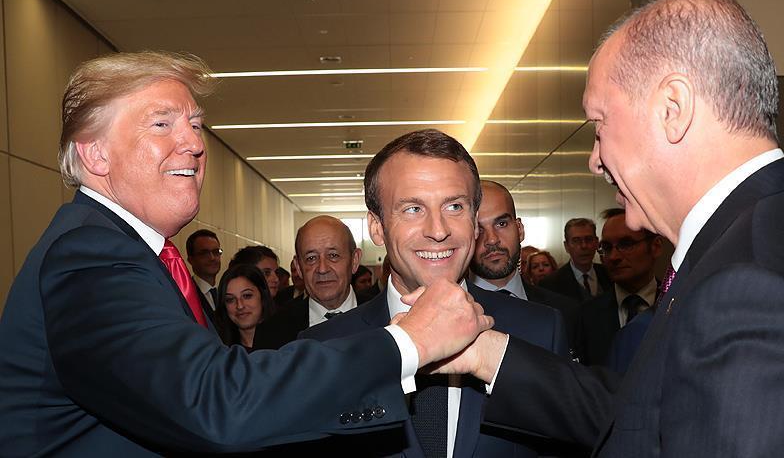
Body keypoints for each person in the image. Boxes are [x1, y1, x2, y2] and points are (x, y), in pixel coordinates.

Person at [438, 0, 784, 456]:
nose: (595, 160)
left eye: (599, 124)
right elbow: (651, 413)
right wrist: (487, 354)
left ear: (672, 109)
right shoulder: (777, 238)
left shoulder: (752, 291)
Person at [0, 51, 493, 455]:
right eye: (162, 124)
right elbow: (216, 403)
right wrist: (409, 341)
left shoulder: (134, 254)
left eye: (195, 124)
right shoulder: (91, 254)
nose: (193, 143)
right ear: (96, 153)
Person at [302, 130, 569, 458]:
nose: (439, 230)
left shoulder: (539, 331)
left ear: (474, 221)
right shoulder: (325, 347)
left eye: (454, 206)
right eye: (413, 209)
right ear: (377, 227)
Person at [469, 180, 578, 353]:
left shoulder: (565, 312)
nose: (492, 240)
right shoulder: (445, 317)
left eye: (501, 224)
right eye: (478, 229)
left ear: (519, 230)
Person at [253, 216, 375, 349]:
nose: (322, 269)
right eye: (311, 258)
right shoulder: (271, 332)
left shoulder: (385, 318)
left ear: (354, 260)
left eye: (333, 255)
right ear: (298, 267)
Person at [573, 208, 661, 366]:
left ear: (655, 247)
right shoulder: (587, 316)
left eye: (626, 245)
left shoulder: (678, 306)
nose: (613, 257)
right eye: (607, 248)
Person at [540, 218, 613, 302]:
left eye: (588, 239)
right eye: (576, 241)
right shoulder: (550, 284)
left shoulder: (610, 274)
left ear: (596, 243)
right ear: (566, 246)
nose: (584, 246)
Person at [215, 263, 275, 351]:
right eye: (230, 299)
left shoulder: (287, 345)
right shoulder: (220, 351)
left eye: (247, 296)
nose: (240, 306)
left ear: (262, 295)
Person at [185, 228, 222, 320]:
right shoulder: (186, 295)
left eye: (216, 252)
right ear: (191, 260)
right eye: (204, 253)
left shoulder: (224, 295)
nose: (212, 258)